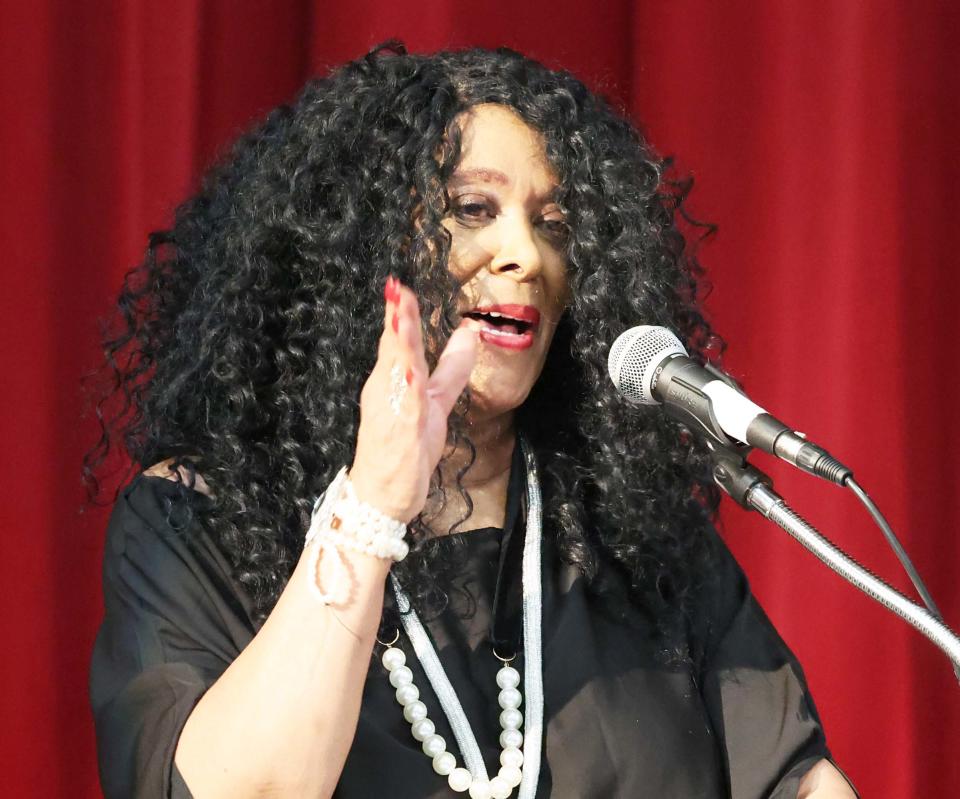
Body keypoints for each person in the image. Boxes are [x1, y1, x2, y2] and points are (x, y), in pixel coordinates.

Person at [87, 43, 858, 798]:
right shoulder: (206, 521)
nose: (524, 252)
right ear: (355, 246)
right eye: (472, 209)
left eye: (553, 223)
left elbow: (799, 778)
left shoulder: (637, 538)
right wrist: (376, 501)